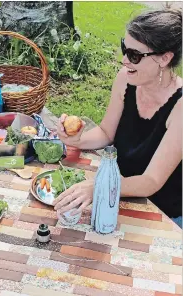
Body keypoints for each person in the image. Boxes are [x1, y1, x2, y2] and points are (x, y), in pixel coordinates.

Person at [54, 9, 182, 227]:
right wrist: (77, 140)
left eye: (134, 55)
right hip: (118, 192)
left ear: (164, 58)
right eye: (125, 48)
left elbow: (151, 182)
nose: (124, 60)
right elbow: (106, 132)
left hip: (162, 213)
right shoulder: (126, 79)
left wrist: (99, 186)